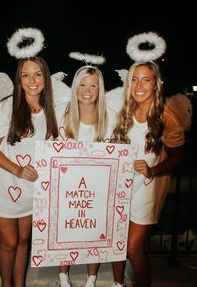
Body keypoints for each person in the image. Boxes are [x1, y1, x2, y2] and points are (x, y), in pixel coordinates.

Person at [0, 54, 58, 287]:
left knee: (24, 240)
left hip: (30, 186)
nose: (32, 80)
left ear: (45, 77)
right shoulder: (6, 107)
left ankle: (19, 284)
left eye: (37, 74)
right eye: (25, 75)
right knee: (10, 242)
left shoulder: (49, 109)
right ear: (18, 79)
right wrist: (17, 169)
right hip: (4, 183)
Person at [110, 61, 186, 287]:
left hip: (147, 188)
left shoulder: (167, 116)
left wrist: (152, 169)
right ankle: (117, 284)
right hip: (119, 186)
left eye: (146, 79)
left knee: (133, 249)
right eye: (134, 79)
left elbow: (178, 157)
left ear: (156, 84)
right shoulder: (123, 110)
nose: (139, 85)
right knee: (117, 243)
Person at [56, 65, 117, 287]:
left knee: (95, 229)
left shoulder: (111, 118)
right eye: (82, 84)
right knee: (63, 228)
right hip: (65, 187)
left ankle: (91, 278)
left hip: (98, 189)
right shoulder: (61, 114)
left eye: (93, 85)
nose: (87, 90)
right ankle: (63, 276)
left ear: (100, 89)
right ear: (75, 88)